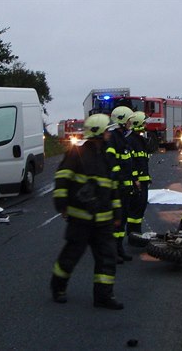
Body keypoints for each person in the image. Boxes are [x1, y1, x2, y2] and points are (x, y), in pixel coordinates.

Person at [50, 114, 124, 310]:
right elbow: (62, 179)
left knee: (107, 258)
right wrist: (62, 204)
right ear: (99, 132)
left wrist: (117, 214)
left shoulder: (106, 157)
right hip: (80, 218)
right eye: (107, 130)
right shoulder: (76, 153)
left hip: (104, 220)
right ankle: (58, 287)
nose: (109, 133)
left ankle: (103, 296)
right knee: (71, 255)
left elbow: (112, 187)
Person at [107, 106, 136, 263]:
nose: (131, 123)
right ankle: (113, 252)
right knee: (115, 220)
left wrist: (131, 184)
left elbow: (127, 165)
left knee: (122, 219)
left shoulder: (122, 137)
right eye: (129, 120)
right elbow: (113, 164)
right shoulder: (113, 138)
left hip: (124, 187)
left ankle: (119, 249)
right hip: (117, 188)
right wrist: (119, 183)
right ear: (122, 120)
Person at [125, 111, 151, 240]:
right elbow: (131, 162)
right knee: (136, 208)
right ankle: (133, 234)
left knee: (140, 207)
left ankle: (136, 233)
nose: (146, 125)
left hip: (143, 180)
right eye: (144, 122)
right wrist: (135, 179)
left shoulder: (140, 140)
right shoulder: (131, 140)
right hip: (138, 181)